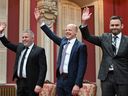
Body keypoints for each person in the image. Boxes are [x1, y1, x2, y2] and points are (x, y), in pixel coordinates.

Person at [34, 8, 87, 96]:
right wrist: (40, 21)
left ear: (75, 32)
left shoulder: (81, 46)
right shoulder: (63, 42)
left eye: (70, 30)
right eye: (66, 30)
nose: (67, 32)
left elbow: (82, 67)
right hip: (60, 79)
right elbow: (51, 35)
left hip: (72, 81)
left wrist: (77, 84)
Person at [79, 7, 128, 96]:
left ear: (122, 26)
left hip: (123, 77)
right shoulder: (104, 38)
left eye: (117, 25)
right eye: (112, 25)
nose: (114, 27)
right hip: (106, 77)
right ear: (109, 26)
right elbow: (87, 37)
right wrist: (84, 22)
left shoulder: (127, 40)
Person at [0, 22, 47, 96]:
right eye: (23, 37)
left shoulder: (39, 50)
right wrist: (1, 34)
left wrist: (39, 84)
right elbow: (7, 44)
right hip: (20, 82)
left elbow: (43, 69)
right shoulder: (20, 47)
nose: (24, 39)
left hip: (32, 84)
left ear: (32, 38)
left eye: (26, 37)